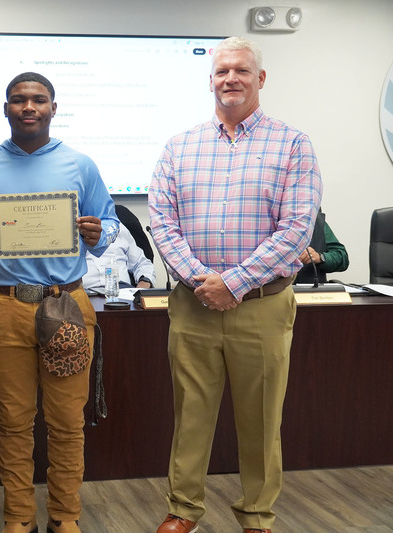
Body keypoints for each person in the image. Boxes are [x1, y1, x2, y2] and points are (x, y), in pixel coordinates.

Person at [148, 37, 322, 533]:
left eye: (242, 71)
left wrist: (235, 282)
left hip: (263, 306)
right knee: (191, 415)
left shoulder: (292, 144)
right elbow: (162, 222)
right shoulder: (179, 147)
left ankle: (257, 515)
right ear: (210, 80)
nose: (231, 79)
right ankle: (183, 510)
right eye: (222, 71)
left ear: (260, 79)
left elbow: (295, 230)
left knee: (262, 420)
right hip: (193, 303)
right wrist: (202, 281)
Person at [0, 72, 119, 533]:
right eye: (18, 100)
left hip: (65, 304)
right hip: (5, 307)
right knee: (13, 421)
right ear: (6, 108)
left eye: (38, 100)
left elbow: (109, 225)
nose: (29, 107)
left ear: (52, 107)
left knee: (67, 422)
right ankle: (18, 518)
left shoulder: (79, 165)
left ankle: (65, 517)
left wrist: (96, 232)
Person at [82, 222, 155, 290]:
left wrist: (144, 283)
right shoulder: (72, 231)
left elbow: (141, 263)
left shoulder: (118, 227)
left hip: (122, 292)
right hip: (85, 292)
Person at [295, 214, 349, 285]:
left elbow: (342, 258)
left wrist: (320, 257)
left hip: (310, 291)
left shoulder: (316, 222)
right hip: (279, 291)